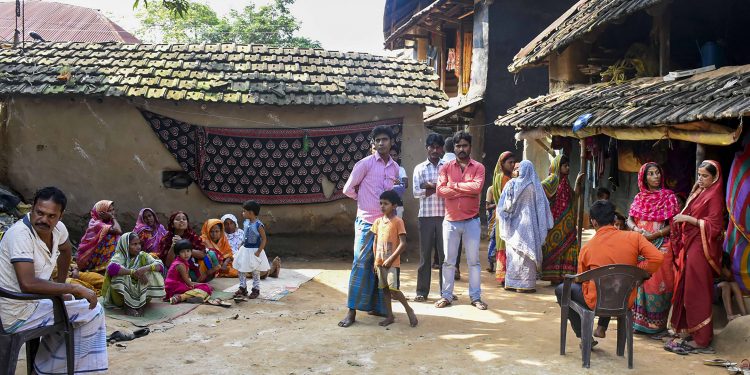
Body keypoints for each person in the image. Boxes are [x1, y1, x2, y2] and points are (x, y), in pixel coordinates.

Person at [0, 187, 107, 373]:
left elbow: (66, 251)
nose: (44, 220)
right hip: (15, 310)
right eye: (40, 213)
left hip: (34, 301)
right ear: (32, 209)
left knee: (74, 305)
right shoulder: (20, 235)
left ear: (60, 216)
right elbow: (28, 284)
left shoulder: (58, 229)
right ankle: (49, 369)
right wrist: (70, 288)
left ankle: (47, 365)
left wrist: (60, 284)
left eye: (51, 216)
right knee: (93, 311)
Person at [555, 200, 663, 346]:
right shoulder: (634, 238)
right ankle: (602, 328)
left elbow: (580, 280)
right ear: (614, 219)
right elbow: (657, 258)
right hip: (625, 299)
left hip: (596, 301)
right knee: (612, 283)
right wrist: (638, 272)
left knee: (562, 290)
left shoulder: (587, 248)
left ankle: (584, 336)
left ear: (593, 222)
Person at [338, 125, 401, 327]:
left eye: (385, 139)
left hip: (386, 224)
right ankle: (351, 312)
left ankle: (379, 308)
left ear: (392, 142)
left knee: (381, 265)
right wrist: (362, 200)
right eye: (378, 140)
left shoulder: (395, 168)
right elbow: (348, 189)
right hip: (366, 222)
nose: (381, 143)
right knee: (360, 264)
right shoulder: (364, 164)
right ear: (372, 143)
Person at [667, 161, 725, 354]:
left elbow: (715, 227)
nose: (700, 179)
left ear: (714, 177)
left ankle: (702, 339)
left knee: (697, 290)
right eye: (699, 175)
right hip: (692, 244)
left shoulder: (715, 195)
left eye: (705, 176)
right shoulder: (700, 191)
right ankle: (691, 330)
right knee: (687, 288)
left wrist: (687, 219)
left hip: (702, 248)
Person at [625, 162, 680, 336]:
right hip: (640, 245)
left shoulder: (669, 197)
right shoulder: (639, 198)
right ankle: (638, 323)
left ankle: (657, 325)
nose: (655, 176)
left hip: (661, 246)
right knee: (640, 282)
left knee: (659, 283)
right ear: (644, 178)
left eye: (657, 173)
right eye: (651, 174)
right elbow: (629, 219)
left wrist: (655, 234)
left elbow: (674, 224)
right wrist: (636, 230)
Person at [435, 131, 487, 310]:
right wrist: (466, 189)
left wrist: (454, 186)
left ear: (470, 147)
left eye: (464, 145)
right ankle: (446, 296)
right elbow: (440, 190)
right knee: (449, 262)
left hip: (472, 221)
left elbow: (477, 187)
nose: (461, 149)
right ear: (454, 148)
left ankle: (475, 297)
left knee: (474, 262)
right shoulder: (446, 167)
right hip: (450, 222)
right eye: (458, 146)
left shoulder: (478, 167)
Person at [362, 190, 418, 326]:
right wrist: (376, 261)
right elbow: (375, 242)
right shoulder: (377, 222)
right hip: (380, 262)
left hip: (392, 263)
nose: (382, 206)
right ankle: (390, 316)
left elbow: (403, 244)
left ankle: (409, 310)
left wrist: (391, 259)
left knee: (394, 290)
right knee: (385, 289)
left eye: (386, 203)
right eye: (380, 203)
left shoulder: (398, 222)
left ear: (394, 206)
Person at [497, 160, 554, 292]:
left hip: (514, 226)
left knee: (514, 254)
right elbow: (542, 207)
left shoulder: (512, 184)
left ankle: (512, 282)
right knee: (528, 255)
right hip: (530, 227)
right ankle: (526, 285)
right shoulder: (536, 187)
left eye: (519, 168)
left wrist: (506, 218)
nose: (517, 170)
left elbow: (504, 206)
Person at [413, 133, 445, 302]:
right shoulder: (419, 168)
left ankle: (445, 292)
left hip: (444, 217)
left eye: (438, 147)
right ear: (427, 148)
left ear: (442, 149)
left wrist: (429, 186)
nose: (434, 150)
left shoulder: (447, 166)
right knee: (425, 256)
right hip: (425, 217)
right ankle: (421, 291)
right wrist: (438, 187)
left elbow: (450, 188)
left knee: (444, 257)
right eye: (431, 147)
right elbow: (416, 192)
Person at [101, 232, 166, 317]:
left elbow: (160, 266)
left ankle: (141, 304)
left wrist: (145, 269)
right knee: (119, 276)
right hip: (120, 297)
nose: (138, 247)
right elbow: (111, 268)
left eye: (139, 243)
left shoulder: (143, 256)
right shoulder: (120, 256)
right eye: (134, 244)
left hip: (140, 292)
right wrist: (132, 272)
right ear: (125, 245)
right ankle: (127, 306)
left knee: (153, 273)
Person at [541, 155, 582, 284]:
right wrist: (549, 198)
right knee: (554, 247)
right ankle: (554, 277)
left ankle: (564, 276)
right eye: (565, 166)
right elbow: (541, 187)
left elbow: (574, 197)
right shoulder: (553, 179)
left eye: (568, 165)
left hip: (567, 223)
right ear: (558, 166)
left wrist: (577, 183)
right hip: (555, 222)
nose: (568, 168)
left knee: (568, 246)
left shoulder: (566, 181)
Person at [157, 211, 221, 282]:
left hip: (192, 264)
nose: (181, 221)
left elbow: (202, 254)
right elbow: (168, 264)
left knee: (211, 253)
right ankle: (197, 278)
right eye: (178, 219)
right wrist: (173, 246)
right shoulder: (166, 239)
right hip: (177, 267)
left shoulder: (192, 236)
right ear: (172, 224)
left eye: (184, 219)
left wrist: (184, 245)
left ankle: (205, 275)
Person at [233, 200, 271, 300]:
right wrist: (241, 244)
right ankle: (243, 287)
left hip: (254, 251)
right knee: (241, 269)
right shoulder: (246, 222)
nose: (243, 213)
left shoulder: (259, 225)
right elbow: (245, 235)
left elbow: (264, 239)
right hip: (245, 250)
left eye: (244, 211)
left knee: (255, 271)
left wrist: (259, 251)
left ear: (250, 212)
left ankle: (256, 289)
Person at [490, 151, 516, 282]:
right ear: (502, 163)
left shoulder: (502, 176)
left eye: (513, 162)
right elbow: (508, 199)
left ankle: (504, 276)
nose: (512, 165)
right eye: (509, 162)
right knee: (505, 244)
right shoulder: (504, 178)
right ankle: (504, 276)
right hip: (505, 216)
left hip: (501, 216)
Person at [77, 200, 122, 272]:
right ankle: (102, 267)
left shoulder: (108, 222)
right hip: (87, 260)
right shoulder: (97, 224)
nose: (112, 213)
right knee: (111, 237)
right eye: (109, 211)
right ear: (101, 213)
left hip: (95, 256)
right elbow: (118, 231)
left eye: (113, 210)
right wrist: (113, 217)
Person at [165, 239, 213, 304]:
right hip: (174, 288)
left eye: (188, 251)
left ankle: (187, 297)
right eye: (182, 252)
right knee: (206, 288)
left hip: (177, 286)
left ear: (191, 252)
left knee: (205, 287)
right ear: (178, 253)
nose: (186, 254)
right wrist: (203, 285)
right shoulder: (180, 265)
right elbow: (189, 283)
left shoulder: (183, 262)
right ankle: (181, 297)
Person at [441, 136, 462, 279]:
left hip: (439, 208)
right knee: (457, 240)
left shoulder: (441, 164)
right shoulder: (460, 165)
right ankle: (456, 268)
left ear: (443, 148)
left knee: (443, 240)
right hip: (457, 208)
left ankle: (443, 266)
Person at [390, 144, 409, 218]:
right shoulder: (382, 169)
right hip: (384, 204)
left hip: (398, 204)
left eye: (395, 155)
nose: (393, 157)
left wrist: (400, 182)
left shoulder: (401, 169)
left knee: (397, 227)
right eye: (391, 155)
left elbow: (406, 184)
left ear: (398, 156)